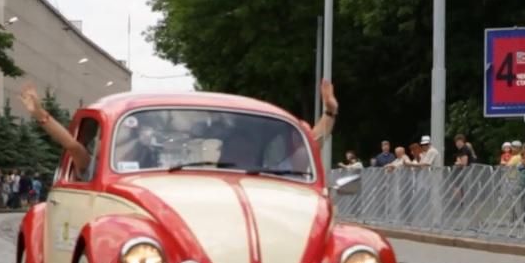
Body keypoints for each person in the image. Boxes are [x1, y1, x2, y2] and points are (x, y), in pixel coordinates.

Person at [19, 80, 339, 174]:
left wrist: (329, 113)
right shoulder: (105, 168)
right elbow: (74, 147)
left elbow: (309, 143)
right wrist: (40, 115)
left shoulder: (272, 170)